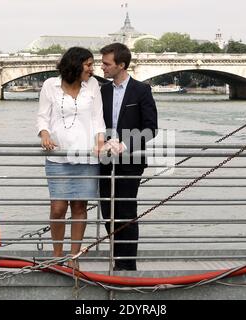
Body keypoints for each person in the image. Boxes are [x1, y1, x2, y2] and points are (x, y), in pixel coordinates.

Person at [36, 47, 106, 269]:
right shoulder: (50, 85)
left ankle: (74, 258)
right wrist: (44, 134)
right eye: (88, 65)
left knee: (79, 207)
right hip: (57, 156)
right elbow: (42, 116)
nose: (92, 69)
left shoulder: (93, 85)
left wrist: (100, 141)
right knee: (58, 207)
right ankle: (57, 256)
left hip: (86, 156)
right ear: (75, 65)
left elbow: (97, 118)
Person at [99, 43, 158, 271]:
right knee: (107, 211)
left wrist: (124, 144)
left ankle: (128, 266)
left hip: (130, 160)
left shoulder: (141, 91)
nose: (102, 67)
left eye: (106, 63)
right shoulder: (101, 91)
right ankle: (117, 260)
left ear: (121, 65)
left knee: (125, 211)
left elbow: (151, 128)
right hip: (103, 159)